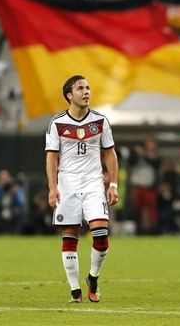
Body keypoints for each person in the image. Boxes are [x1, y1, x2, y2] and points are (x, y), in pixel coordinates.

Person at [45, 75, 119, 303]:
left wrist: (113, 184)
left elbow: (110, 154)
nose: (86, 91)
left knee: (101, 234)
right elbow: (51, 158)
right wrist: (53, 187)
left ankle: (93, 278)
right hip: (67, 184)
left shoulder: (100, 121)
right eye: (80, 88)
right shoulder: (57, 123)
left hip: (93, 183)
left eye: (88, 87)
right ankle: (75, 290)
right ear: (69, 95)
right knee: (70, 236)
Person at [0, 169, 26, 234]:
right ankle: (0, 233)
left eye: (6, 179)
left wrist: (15, 193)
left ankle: (16, 233)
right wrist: (0, 189)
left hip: (13, 210)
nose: (5, 181)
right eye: (3, 179)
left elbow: (22, 201)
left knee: (19, 213)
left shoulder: (15, 187)